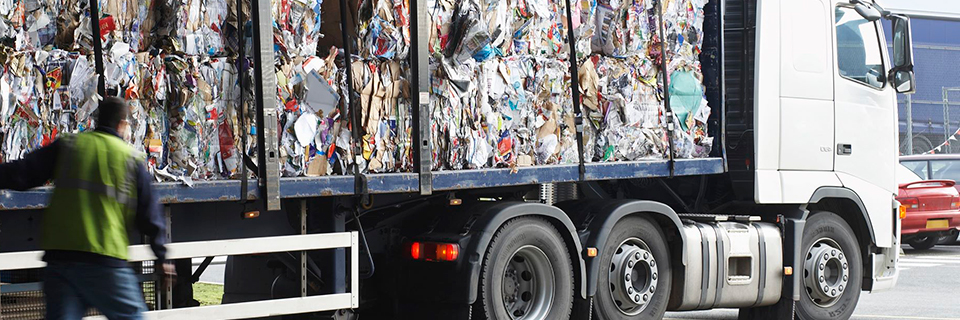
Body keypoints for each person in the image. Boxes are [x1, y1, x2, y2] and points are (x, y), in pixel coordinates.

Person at [0, 97, 173, 320]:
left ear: (96, 120)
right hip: (105, 263)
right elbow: (150, 216)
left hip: (60, 263)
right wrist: (162, 257)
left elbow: (22, 173)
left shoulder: (69, 146)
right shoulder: (130, 160)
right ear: (122, 124)